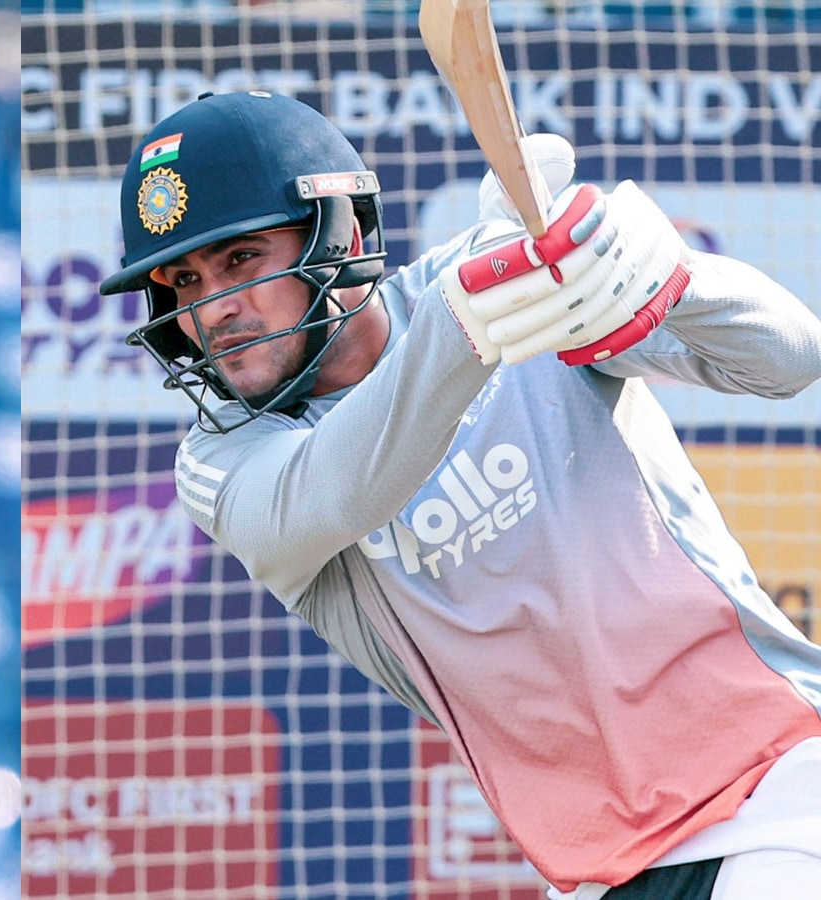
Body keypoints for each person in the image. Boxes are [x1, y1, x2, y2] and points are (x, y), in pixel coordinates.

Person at [102, 90, 821, 899]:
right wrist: (482, 305)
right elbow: (335, 493)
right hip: (597, 872)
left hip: (781, 790)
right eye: (185, 282)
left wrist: (671, 279)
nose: (215, 308)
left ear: (342, 233)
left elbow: (792, 358)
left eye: (241, 260)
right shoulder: (222, 460)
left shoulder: (507, 282)